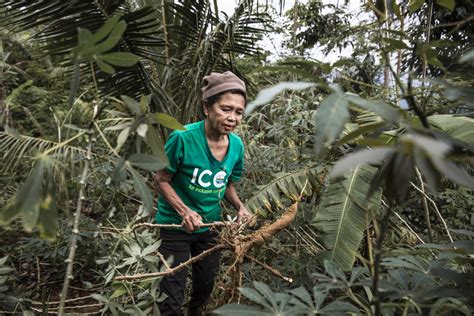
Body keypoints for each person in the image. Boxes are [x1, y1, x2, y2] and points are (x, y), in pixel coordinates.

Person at [154, 71, 252, 315]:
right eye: (226, 109)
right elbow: (161, 179)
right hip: (175, 227)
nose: (232, 118)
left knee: (204, 289)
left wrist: (240, 207)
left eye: (238, 112)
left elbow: (226, 183)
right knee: (170, 298)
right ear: (207, 107)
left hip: (210, 227)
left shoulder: (236, 145)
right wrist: (185, 211)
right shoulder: (182, 138)